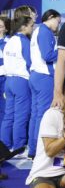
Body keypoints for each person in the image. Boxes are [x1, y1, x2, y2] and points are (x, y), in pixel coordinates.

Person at [28, 9, 61, 159]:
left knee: (36, 115)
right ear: (51, 17)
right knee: (42, 115)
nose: (58, 26)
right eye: (58, 22)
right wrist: (64, 50)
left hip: (36, 75)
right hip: (44, 77)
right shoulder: (45, 31)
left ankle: (33, 150)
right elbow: (47, 55)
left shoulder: (37, 31)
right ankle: (39, 151)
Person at [0, 16, 34, 155]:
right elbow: (30, 62)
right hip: (21, 81)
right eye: (31, 25)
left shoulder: (10, 41)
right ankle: (19, 147)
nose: (32, 28)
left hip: (9, 80)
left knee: (9, 115)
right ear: (24, 26)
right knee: (21, 115)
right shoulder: (24, 41)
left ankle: (4, 146)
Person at [0, 16, 11, 140]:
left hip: (4, 78)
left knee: (4, 110)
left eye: (0, 26)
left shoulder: (9, 42)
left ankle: (3, 140)